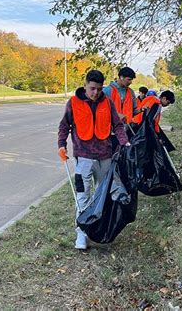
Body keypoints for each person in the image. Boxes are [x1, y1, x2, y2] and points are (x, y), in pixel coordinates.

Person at [58, 70, 130, 250]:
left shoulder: (107, 102)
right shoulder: (74, 103)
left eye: (99, 89)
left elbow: (117, 125)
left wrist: (125, 142)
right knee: (83, 196)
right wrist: (61, 145)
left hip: (104, 157)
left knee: (103, 194)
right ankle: (81, 233)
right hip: (83, 159)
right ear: (85, 86)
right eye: (92, 89)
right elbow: (64, 125)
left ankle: (99, 227)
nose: (95, 93)